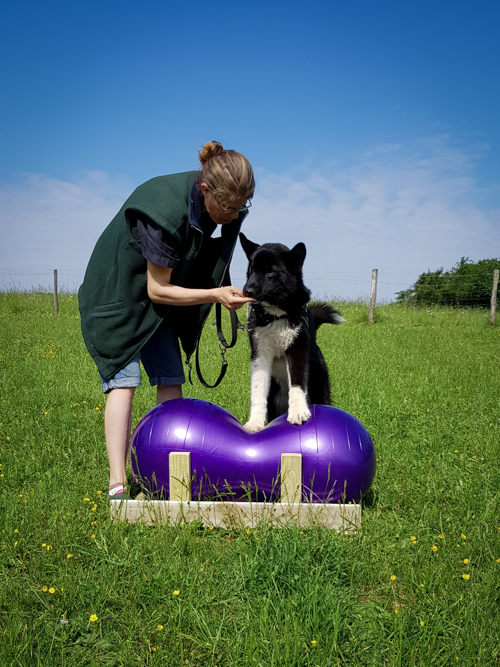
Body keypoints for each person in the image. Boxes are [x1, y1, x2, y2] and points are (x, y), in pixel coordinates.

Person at [78, 141, 256, 499]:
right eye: (229, 206)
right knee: (123, 381)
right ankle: (118, 485)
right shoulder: (162, 209)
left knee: (171, 378)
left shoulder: (214, 207)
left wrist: (219, 288)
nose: (234, 215)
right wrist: (214, 295)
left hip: (158, 305)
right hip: (119, 299)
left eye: (242, 207)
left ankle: (161, 474)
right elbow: (158, 289)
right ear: (205, 189)